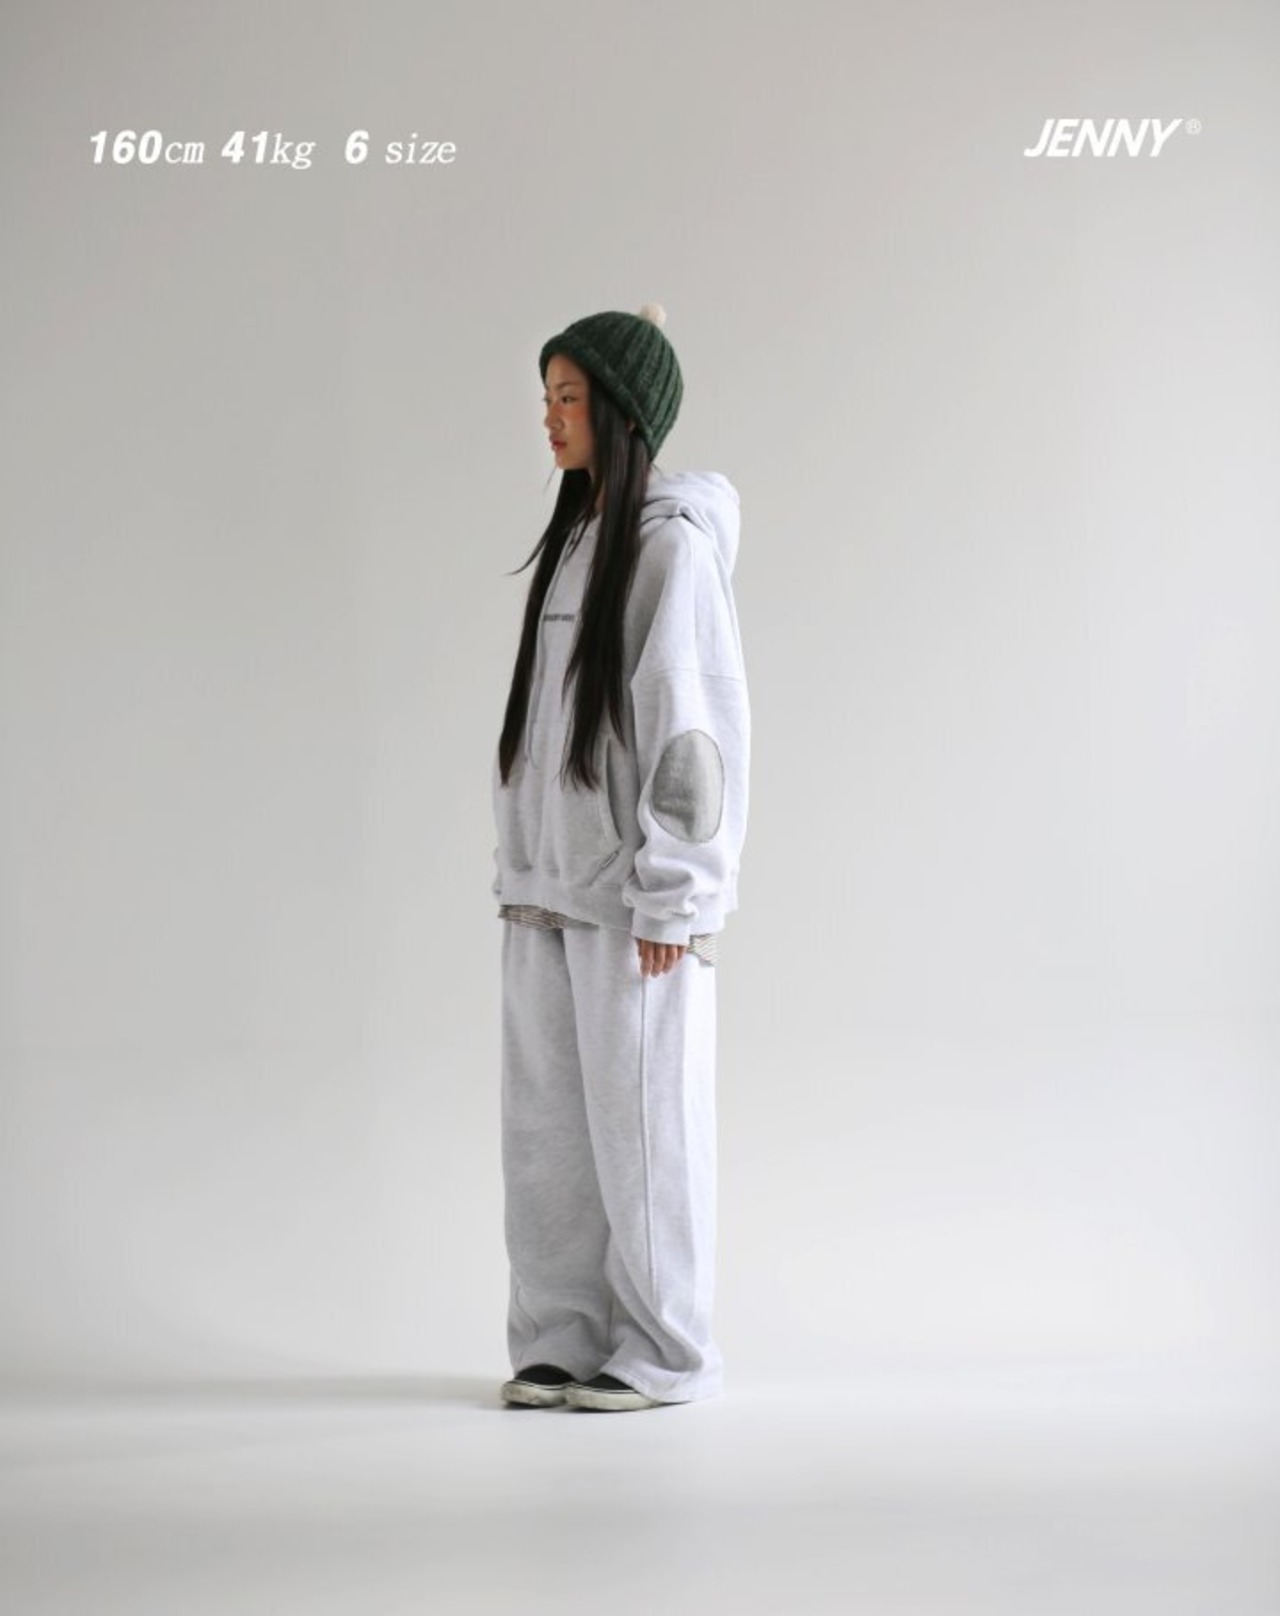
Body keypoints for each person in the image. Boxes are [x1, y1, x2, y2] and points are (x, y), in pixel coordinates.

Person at [490, 304, 750, 1412]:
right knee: (547, 1138)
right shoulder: (575, 542)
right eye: (546, 396)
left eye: (569, 397)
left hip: (634, 905)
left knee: (646, 1133)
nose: (549, 417)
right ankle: (563, 1333)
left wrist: (676, 896)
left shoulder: (669, 547)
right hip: (544, 892)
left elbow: (692, 729)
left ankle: (664, 1350)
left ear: (621, 409)